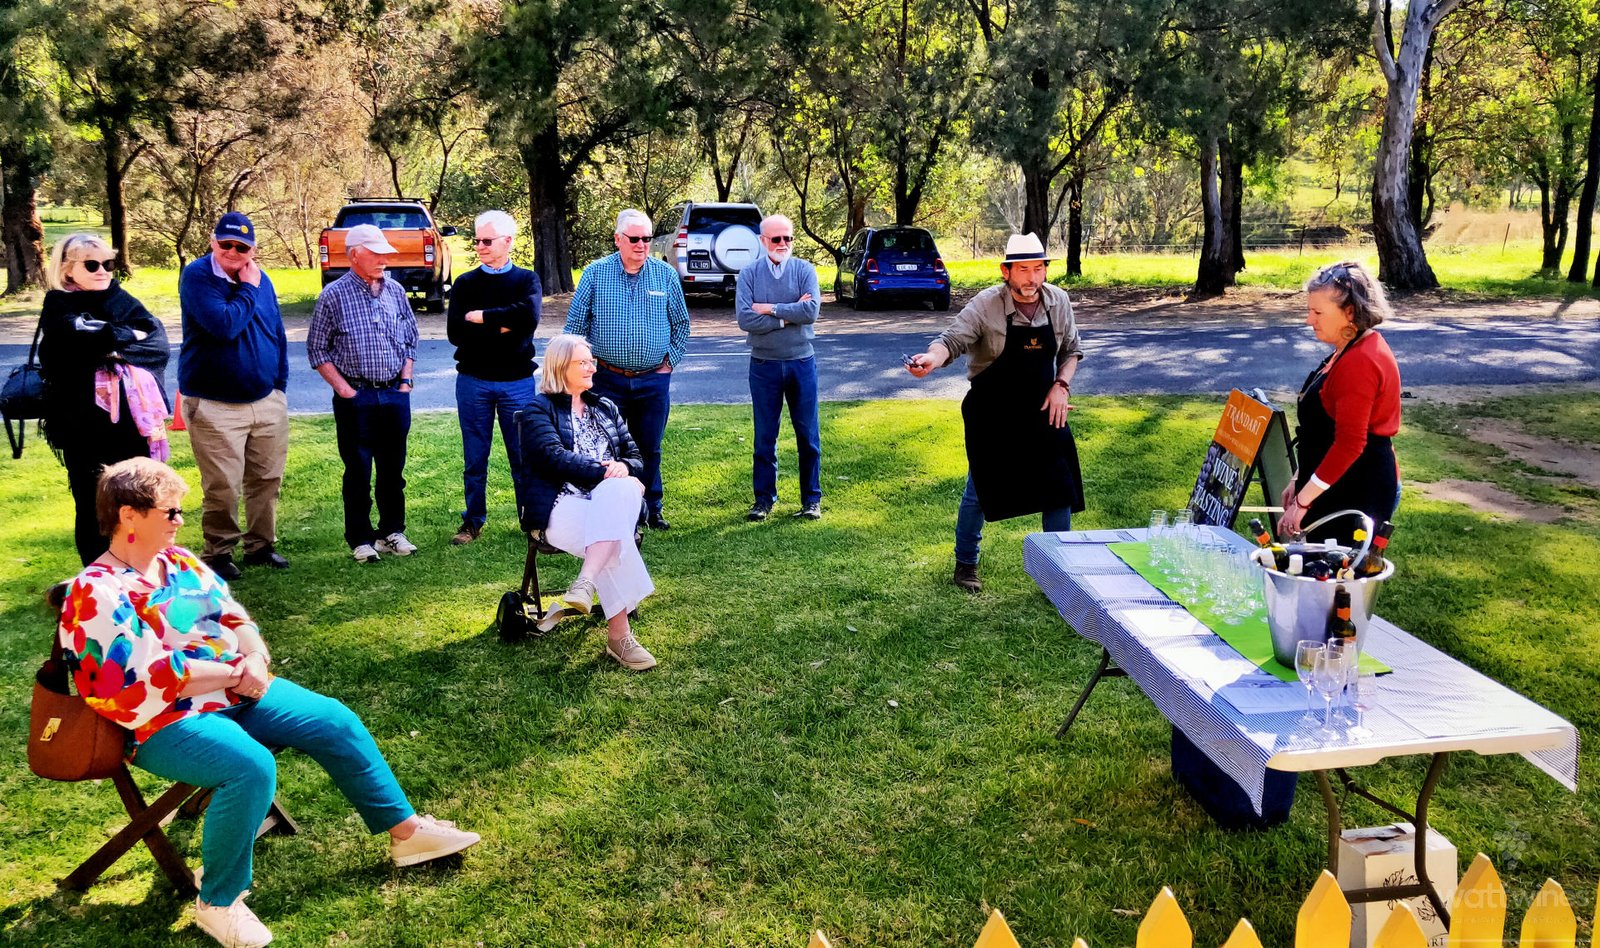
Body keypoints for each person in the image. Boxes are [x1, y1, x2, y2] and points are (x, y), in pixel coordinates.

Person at [56, 457, 479, 948]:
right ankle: (217, 902)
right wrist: (237, 672)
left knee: (333, 720)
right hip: (159, 722)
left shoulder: (179, 562)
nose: (180, 521)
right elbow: (140, 681)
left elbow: (233, 616)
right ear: (129, 515)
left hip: (237, 690)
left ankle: (406, 833)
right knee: (248, 766)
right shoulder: (95, 592)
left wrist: (254, 654)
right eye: (170, 512)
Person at [906, 232, 1085, 593]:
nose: (1032, 279)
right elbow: (950, 341)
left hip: (1043, 408)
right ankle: (965, 564)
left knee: (1058, 488)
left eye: (1038, 269)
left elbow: (1071, 351)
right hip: (993, 411)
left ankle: (1060, 575)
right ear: (1006, 271)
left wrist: (1061, 386)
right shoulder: (986, 304)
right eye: (1023, 270)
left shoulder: (1058, 301)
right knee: (980, 488)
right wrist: (931, 359)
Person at [521, 334, 659, 672]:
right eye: (582, 362)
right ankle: (619, 637)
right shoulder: (538, 410)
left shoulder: (604, 407)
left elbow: (637, 457)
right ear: (559, 367)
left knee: (615, 494)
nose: (591, 367)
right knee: (615, 529)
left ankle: (586, 580)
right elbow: (554, 459)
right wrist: (610, 472)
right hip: (559, 506)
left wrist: (625, 468)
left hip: (610, 504)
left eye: (591, 360)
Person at [38, 233, 170, 566]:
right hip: (84, 430)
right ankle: (100, 578)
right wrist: (121, 340)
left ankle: (139, 569)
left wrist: (110, 341)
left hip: (131, 429)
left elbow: (155, 340)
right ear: (68, 270)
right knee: (94, 504)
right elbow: (77, 344)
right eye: (92, 264)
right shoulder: (58, 305)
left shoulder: (121, 300)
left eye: (108, 264)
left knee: (138, 500)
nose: (102, 271)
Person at [178, 212, 291, 581]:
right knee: (223, 485)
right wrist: (247, 287)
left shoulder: (262, 280)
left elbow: (275, 330)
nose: (232, 251)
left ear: (252, 250)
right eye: (225, 244)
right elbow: (224, 324)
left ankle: (261, 546)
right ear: (213, 242)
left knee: (267, 478)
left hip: (266, 399)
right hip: (214, 403)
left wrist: (279, 386)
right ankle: (219, 553)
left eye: (241, 247)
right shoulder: (198, 276)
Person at [563, 208, 690, 531]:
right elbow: (575, 328)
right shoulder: (595, 273)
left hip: (652, 380)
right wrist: (583, 368)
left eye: (647, 238)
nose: (642, 245)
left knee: (650, 446)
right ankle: (610, 507)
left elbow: (681, 324)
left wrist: (669, 362)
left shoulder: (665, 275)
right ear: (618, 239)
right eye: (634, 238)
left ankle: (651, 507)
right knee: (608, 445)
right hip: (607, 378)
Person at [307, 223, 420, 563]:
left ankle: (391, 532)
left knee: (392, 470)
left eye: (386, 253)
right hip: (357, 397)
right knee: (358, 470)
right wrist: (345, 390)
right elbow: (317, 350)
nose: (384, 259)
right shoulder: (333, 296)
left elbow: (410, 338)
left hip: (394, 395)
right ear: (354, 254)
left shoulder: (395, 291)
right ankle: (360, 538)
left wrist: (405, 382)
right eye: (376, 253)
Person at [1276, 260, 1402, 545]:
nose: (1310, 320)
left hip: (1356, 490)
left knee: (1338, 583)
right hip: (1336, 484)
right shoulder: (1347, 349)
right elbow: (1324, 430)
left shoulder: (1360, 361)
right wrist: (1300, 477)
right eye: (1309, 311)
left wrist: (1303, 503)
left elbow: (1349, 444)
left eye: (1318, 312)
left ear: (1350, 313)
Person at [446, 209, 542, 545]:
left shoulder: (526, 280)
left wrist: (481, 317)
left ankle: (532, 521)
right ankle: (472, 522)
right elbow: (456, 332)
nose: (481, 246)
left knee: (523, 457)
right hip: (473, 381)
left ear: (508, 242)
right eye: (477, 240)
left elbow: (528, 318)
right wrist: (502, 327)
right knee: (475, 458)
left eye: (488, 240)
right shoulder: (465, 283)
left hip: (517, 382)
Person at [735, 214, 823, 522]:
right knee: (764, 438)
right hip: (764, 365)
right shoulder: (749, 274)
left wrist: (772, 310)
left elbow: (811, 311)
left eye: (788, 238)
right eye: (776, 239)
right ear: (763, 241)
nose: (783, 244)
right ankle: (763, 500)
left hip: (802, 362)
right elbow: (746, 319)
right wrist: (790, 314)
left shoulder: (804, 270)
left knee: (808, 436)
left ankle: (812, 500)